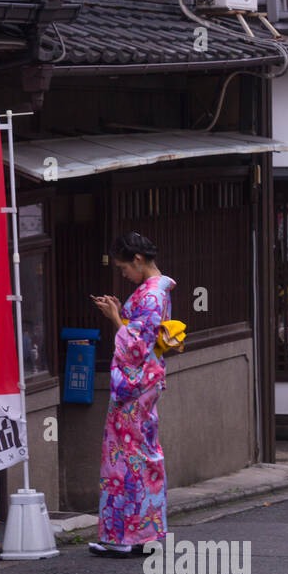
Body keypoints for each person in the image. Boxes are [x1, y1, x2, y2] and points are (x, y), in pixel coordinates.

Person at [88, 232, 176, 557]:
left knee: (127, 457)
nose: (123, 274)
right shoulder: (156, 291)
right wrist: (120, 315)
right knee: (141, 454)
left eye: (124, 268)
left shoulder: (151, 295)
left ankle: (125, 536)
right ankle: (144, 535)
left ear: (138, 260)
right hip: (146, 383)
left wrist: (115, 318)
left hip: (135, 385)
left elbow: (137, 348)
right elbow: (141, 336)